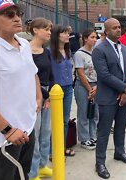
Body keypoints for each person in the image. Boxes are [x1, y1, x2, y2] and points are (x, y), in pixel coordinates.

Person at [0, 1, 42, 179]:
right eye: (9, 15)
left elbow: (32, 73)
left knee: (24, 175)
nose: (17, 18)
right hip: (4, 139)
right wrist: (7, 129)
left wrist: (37, 97)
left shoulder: (23, 43)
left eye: (18, 14)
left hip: (27, 129)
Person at [92, 18, 126, 179]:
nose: (119, 30)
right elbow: (104, 75)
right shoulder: (99, 49)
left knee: (121, 127)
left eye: (119, 27)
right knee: (103, 132)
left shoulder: (124, 49)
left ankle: (119, 151)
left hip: (124, 97)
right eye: (114, 28)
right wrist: (124, 87)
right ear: (106, 31)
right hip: (107, 98)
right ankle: (100, 162)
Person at [27, 17, 54, 180]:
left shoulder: (47, 51)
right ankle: (33, 171)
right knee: (35, 134)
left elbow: (51, 75)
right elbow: (29, 76)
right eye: (46, 29)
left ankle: (43, 164)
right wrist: (42, 96)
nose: (49, 32)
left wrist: (50, 95)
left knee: (46, 132)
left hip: (48, 96)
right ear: (36, 30)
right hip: (33, 96)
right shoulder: (26, 51)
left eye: (50, 29)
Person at [49, 25, 75, 156]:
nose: (67, 35)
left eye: (68, 33)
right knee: (54, 121)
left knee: (64, 120)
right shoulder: (49, 52)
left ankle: (62, 148)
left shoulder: (68, 51)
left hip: (68, 88)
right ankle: (51, 151)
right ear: (56, 36)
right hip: (55, 91)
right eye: (64, 33)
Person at [73, 29, 99, 150]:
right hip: (83, 86)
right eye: (92, 37)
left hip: (95, 85)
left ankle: (93, 135)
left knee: (94, 112)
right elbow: (81, 74)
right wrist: (89, 89)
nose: (95, 40)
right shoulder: (79, 54)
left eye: (96, 37)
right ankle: (84, 139)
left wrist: (96, 87)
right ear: (85, 39)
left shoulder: (96, 52)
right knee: (84, 112)